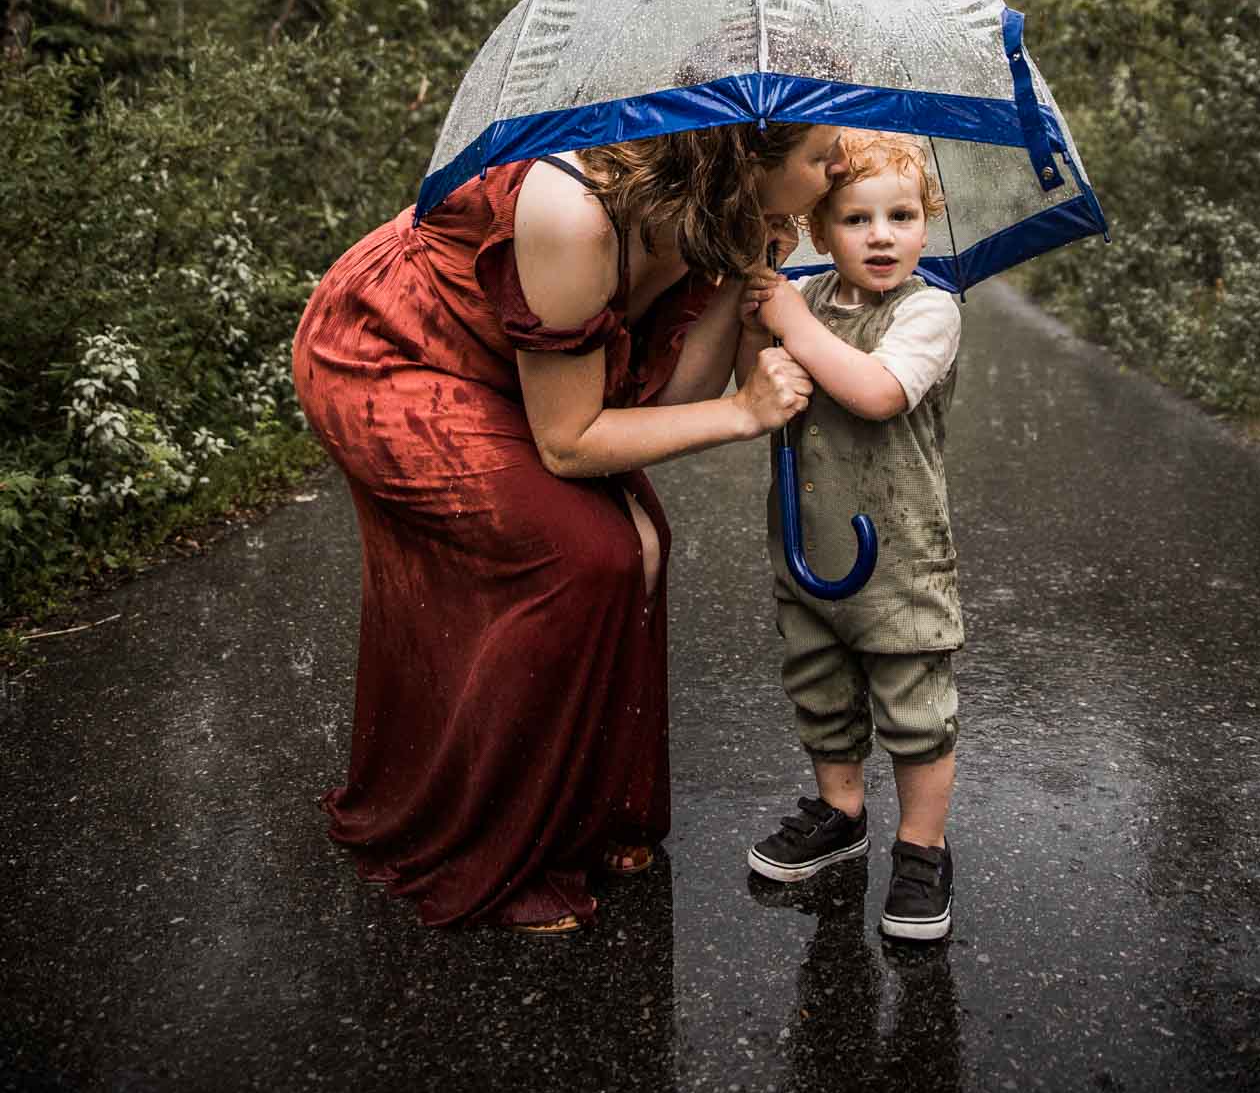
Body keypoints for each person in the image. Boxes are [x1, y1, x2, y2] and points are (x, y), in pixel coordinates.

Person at [292, 121, 848, 933]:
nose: (841, 166)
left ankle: (595, 811)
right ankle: (495, 847)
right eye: (819, 155)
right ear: (745, 156)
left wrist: (742, 272)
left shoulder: (709, 209)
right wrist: (737, 415)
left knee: (641, 544)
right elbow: (571, 440)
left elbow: (657, 403)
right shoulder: (575, 211)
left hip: (504, 367)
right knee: (578, 557)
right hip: (392, 352)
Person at [737, 130, 963, 941]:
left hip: (899, 551)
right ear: (819, 230)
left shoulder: (929, 310)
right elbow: (750, 383)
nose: (879, 235)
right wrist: (758, 295)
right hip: (808, 545)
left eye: (900, 215)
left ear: (925, 225)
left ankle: (921, 847)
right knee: (820, 688)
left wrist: (790, 317)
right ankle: (840, 813)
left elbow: (873, 391)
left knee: (913, 703)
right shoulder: (801, 297)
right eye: (855, 219)